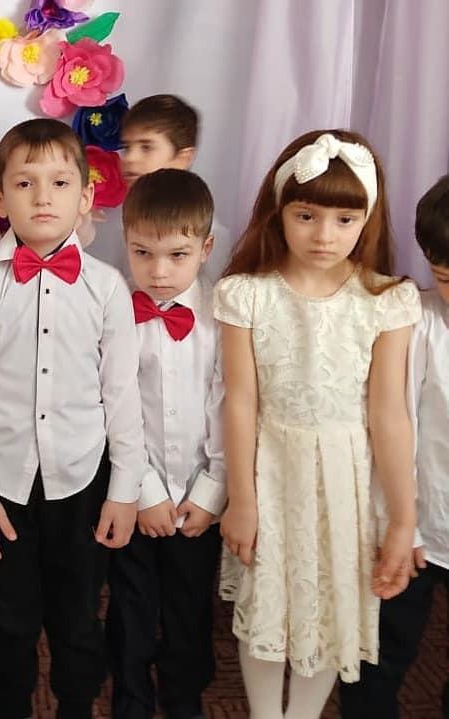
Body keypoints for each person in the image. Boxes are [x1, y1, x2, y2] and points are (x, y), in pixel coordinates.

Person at [215, 130, 420, 719]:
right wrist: (243, 500)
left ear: (367, 220)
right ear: (279, 213)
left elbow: (389, 413)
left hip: (346, 480)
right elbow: (240, 401)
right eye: (306, 216)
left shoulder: (386, 299)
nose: (324, 235)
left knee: (332, 605)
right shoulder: (245, 294)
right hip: (272, 473)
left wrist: (403, 518)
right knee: (269, 601)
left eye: (344, 219)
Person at [0, 118, 145, 719]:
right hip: (4, 484)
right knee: (5, 613)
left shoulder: (108, 288)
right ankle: (10, 706)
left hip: (81, 479)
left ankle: (76, 706)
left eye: (59, 183)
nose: (42, 197)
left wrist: (125, 490)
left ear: (85, 196)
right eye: (24, 183)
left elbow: (122, 393)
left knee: (79, 612)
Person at [105, 168, 224, 719]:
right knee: (129, 605)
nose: (158, 271)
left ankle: (184, 699)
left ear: (206, 249)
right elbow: (115, 408)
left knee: (190, 605)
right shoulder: (116, 317)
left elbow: (230, 406)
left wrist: (211, 491)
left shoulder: (222, 320)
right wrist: (144, 490)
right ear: (126, 242)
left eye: (177, 255)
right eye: (143, 253)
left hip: (201, 495)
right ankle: (130, 700)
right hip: (133, 491)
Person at [340, 174, 449, 718]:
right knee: (382, 652)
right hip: (419, 525)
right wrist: (402, 525)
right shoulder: (420, 322)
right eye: (443, 277)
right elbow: (393, 422)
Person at [96, 94, 231, 280]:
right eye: (127, 148)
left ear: (183, 158)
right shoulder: (121, 224)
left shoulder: (210, 231)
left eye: (146, 147)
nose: (130, 158)